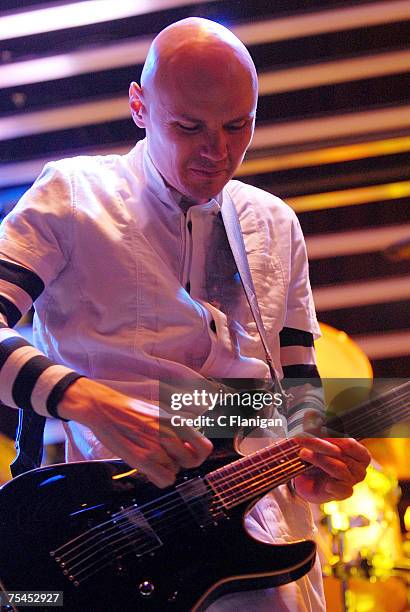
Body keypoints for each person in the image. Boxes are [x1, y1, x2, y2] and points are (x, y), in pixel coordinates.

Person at [0, 17, 370, 611]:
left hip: (262, 547)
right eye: (188, 126)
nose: (217, 152)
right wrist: (90, 401)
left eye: (238, 126)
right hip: (107, 541)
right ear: (139, 106)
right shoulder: (71, 196)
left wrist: (315, 465)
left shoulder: (276, 223)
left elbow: (296, 404)